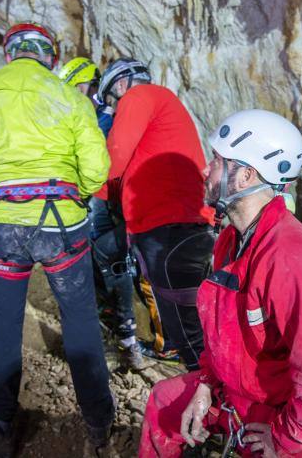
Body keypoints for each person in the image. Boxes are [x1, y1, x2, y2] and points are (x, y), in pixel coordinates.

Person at [0, 23, 114, 457]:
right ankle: (98, 428)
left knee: (4, 326)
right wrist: (75, 191)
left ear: (10, 56)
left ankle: (0, 427)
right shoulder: (69, 97)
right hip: (61, 228)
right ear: (50, 57)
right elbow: (95, 168)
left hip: (2, 228)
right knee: (81, 325)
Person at [139, 109, 302, 457]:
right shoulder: (232, 241)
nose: (206, 170)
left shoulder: (292, 257)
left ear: (244, 176)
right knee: (164, 404)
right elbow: (222, 335)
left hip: (279, 414)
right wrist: (205, 385)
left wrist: (288, 443)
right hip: (234, 393)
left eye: (216, 160)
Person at [96, 58, 215, 370]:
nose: (114, 107)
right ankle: (190, 365)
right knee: (184, 308)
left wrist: (91, 190)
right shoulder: (161, 105)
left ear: (121, 84)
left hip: (167, 222)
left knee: (178, 311)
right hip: (175, 221)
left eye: (112, 98)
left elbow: (117, 153)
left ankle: (203, 386)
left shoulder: (139, 96)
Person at [58, 56, 147, 370]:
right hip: (101, 197)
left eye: (75, 88)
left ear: (85, 83)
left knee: (112, 263)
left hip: (107, 199)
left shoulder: (106, 112)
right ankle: (116, 333)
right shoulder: (94, 113)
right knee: (101, 264)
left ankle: (127, 338)